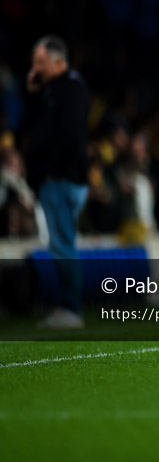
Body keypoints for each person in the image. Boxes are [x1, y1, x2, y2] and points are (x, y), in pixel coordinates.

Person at [24, 35, 90, 329]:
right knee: (60, 243)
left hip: (62, 179)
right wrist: (35, 93)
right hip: (56, 177)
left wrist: (52, 171)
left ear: (58, 60)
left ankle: (71, 309)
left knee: (62, 244)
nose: (35, 68)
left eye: (40, 62)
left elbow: (71, 138)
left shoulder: (70, 89)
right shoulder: (53, 90)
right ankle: (67, 304)